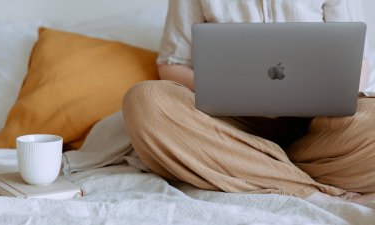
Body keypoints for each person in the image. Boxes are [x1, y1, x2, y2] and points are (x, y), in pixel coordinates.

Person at [122, 0, 375, 205]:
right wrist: (231, 89)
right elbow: (172, 64)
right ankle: (309, 188)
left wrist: (331, 92)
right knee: (145, 101)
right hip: (227, 125)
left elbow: (357, 62)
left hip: (318, 130)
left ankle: (246, 167)